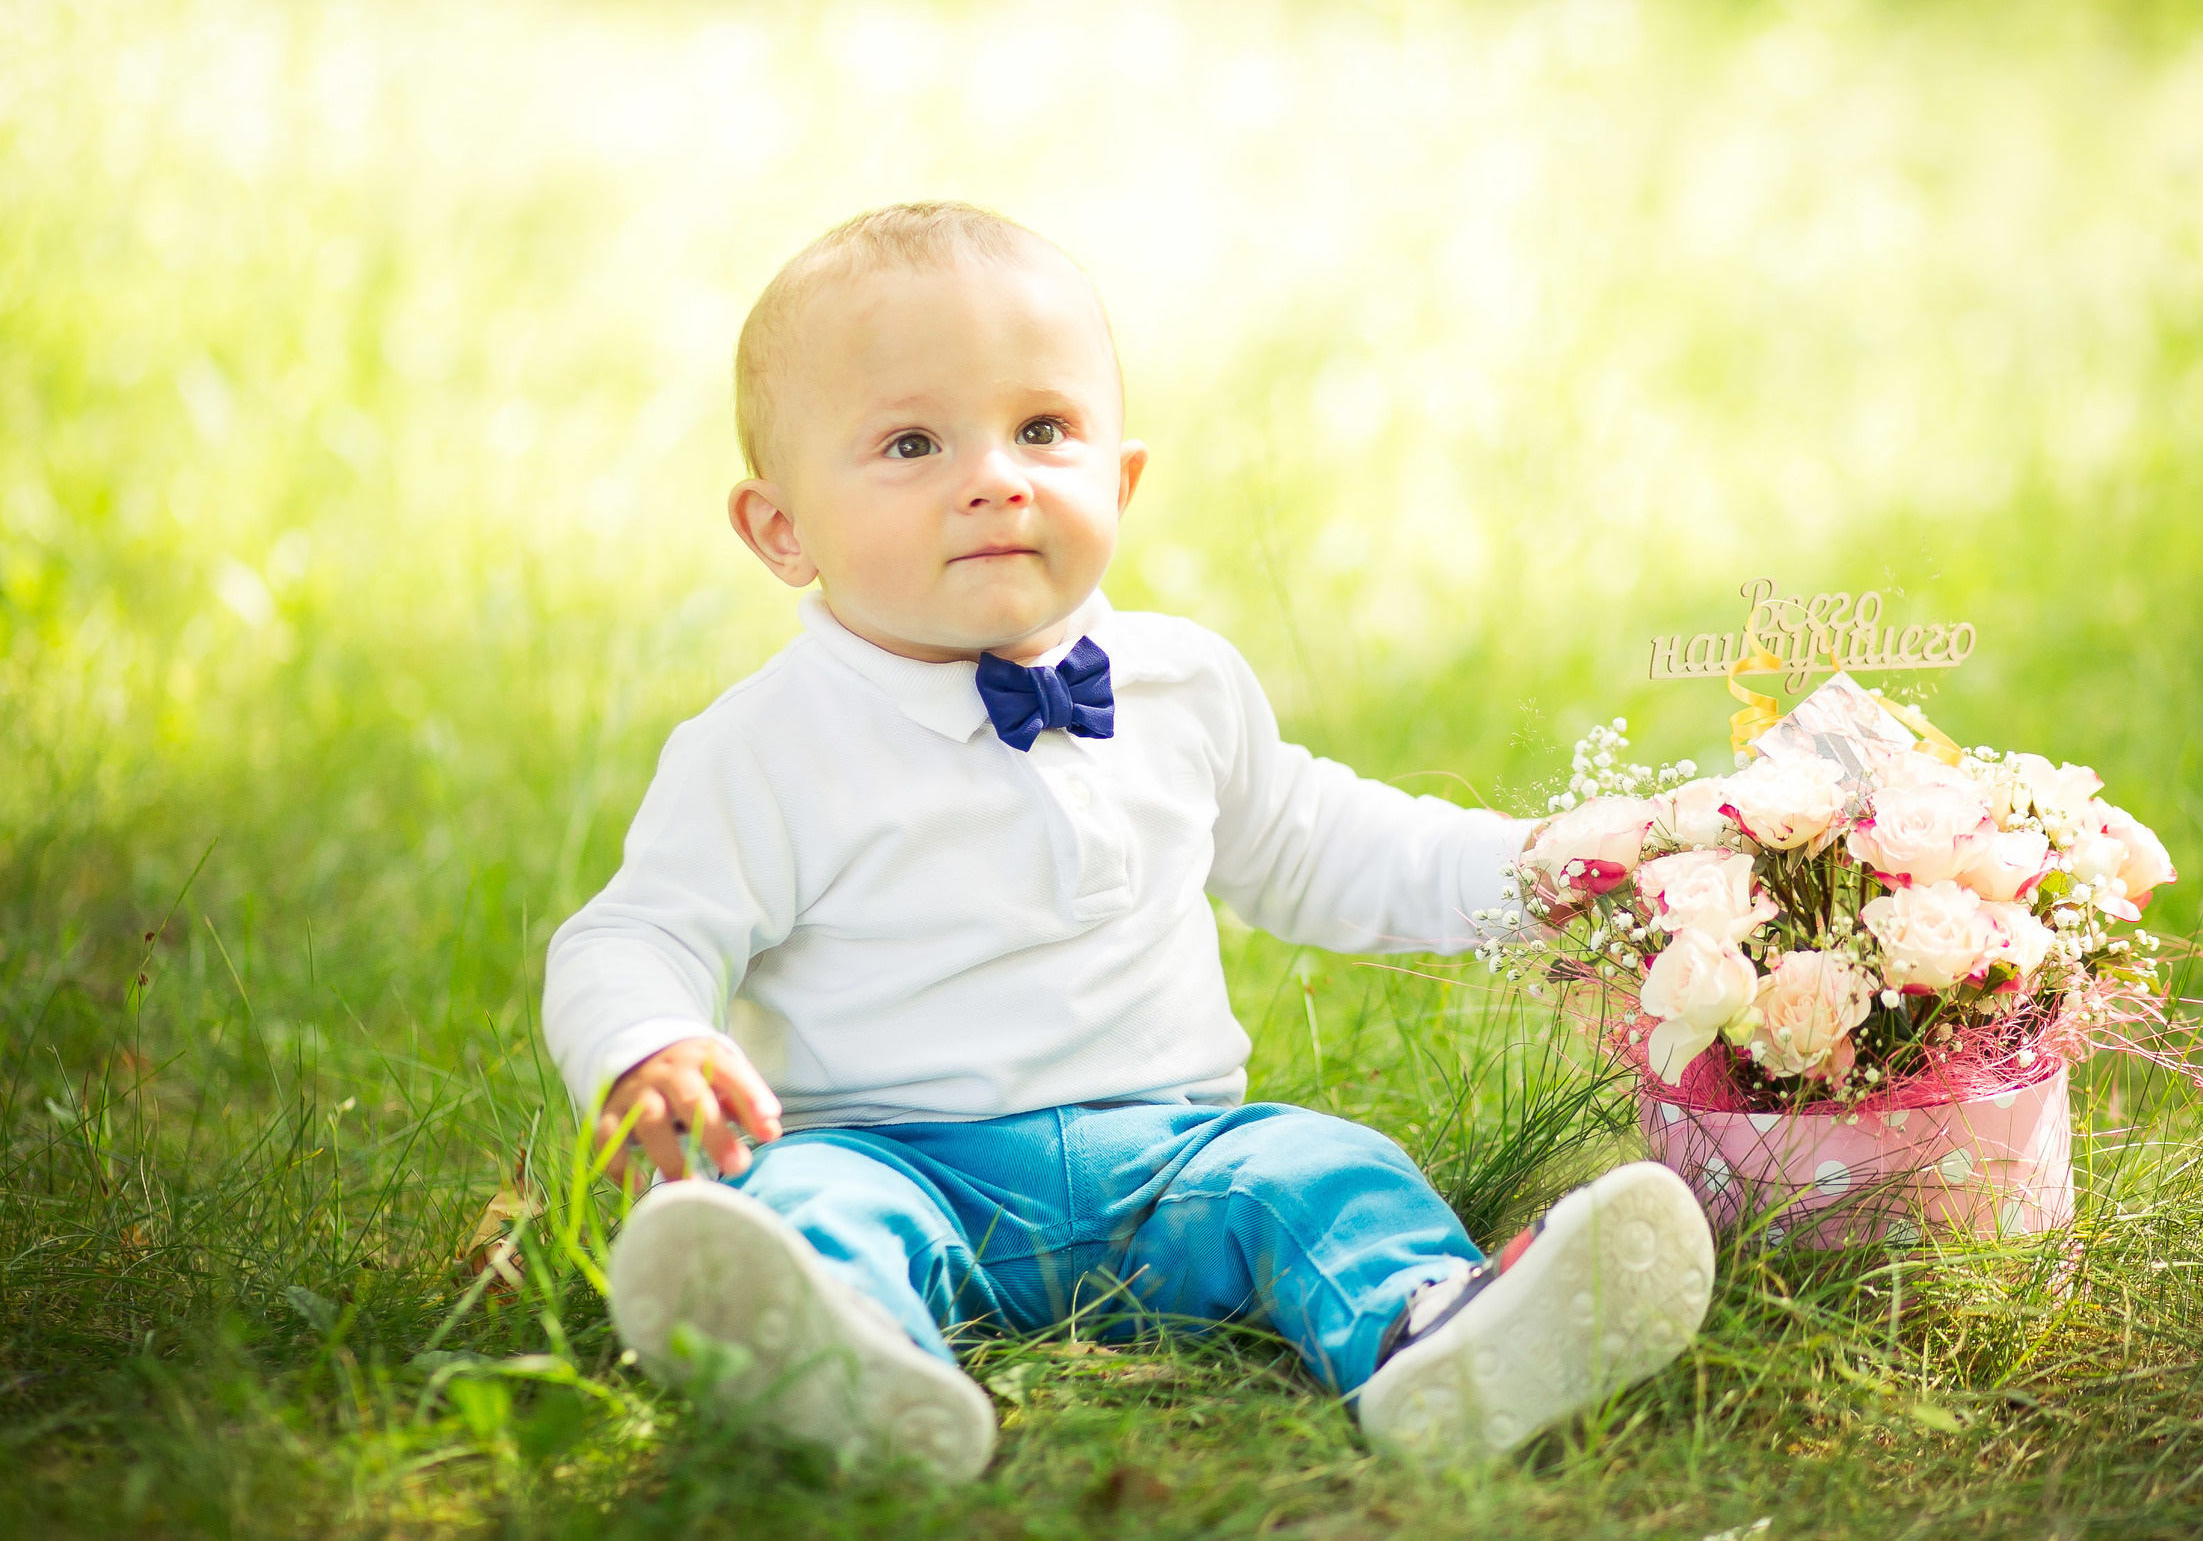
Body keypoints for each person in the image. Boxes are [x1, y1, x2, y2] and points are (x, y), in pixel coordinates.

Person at [542, 201, 1715, 1480]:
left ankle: (1431, 1334)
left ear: (1120, 478)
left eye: (1043, 429)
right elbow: (635, 932)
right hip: (893, 1155)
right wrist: (648, 1038)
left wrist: (1530, 868)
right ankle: (848, 1360)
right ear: (781, 528)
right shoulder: (764, 745)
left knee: (1325, 1166)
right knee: (807, 1208)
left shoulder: (1179, 682)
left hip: (1170, 1159)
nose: (996, 477)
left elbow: (1322, 843)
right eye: (912, 442)